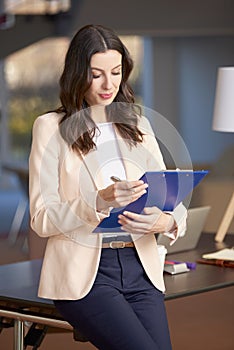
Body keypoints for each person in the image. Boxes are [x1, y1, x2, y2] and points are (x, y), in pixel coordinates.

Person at [29, 24, 187, 350]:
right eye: (96, 74)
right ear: (77, 74)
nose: (108, 84)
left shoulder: (138, 124)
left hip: (141, 267)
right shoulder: (50, 128)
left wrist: (167, 221)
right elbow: (41, 218)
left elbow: (169, 197)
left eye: (115, 72)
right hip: (87, 276)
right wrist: (97, 202)